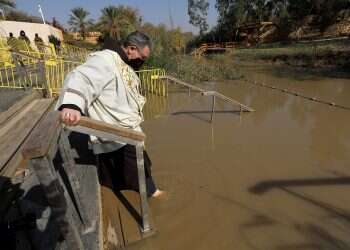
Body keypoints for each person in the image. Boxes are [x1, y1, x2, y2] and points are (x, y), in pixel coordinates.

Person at [56, 31, 164, 198]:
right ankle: (155, 196)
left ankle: (113, 198)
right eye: (142, 58)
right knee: (141, 174)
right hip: (116, 131)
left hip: (126, 129)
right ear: (131, 49)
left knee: (119, 172)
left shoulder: (122, 63)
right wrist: (72, 105)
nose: (142, 62)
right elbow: (83, 77)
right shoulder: (105, 59)